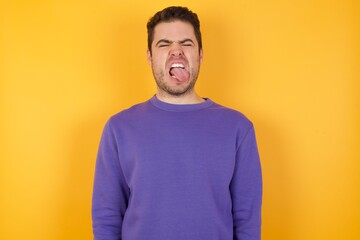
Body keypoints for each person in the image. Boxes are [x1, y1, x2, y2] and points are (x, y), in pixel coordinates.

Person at [92, 6, 262, 240]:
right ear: (150, 56)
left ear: (200, 54)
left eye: (186, 43)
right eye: (164, 44)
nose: (176, 52)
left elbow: (247, 219)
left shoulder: (238, 128)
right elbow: (107, 217)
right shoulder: (118, 128)